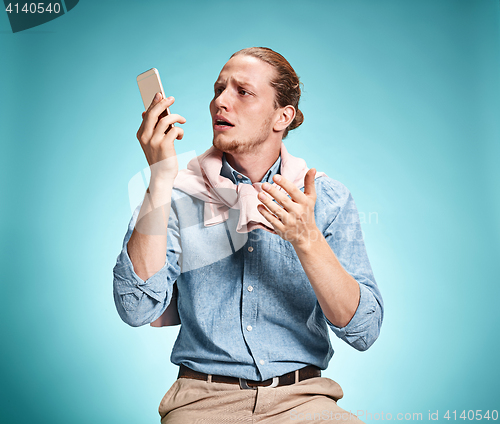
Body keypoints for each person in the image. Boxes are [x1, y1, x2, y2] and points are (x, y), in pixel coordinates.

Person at [113, 47, 383, 423]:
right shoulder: (175, 194)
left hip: (303, 401)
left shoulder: (326, 198)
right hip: (201, 402)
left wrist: (307, 240)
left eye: (242, 92)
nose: (220, 102)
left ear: (282, 116)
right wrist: (160, 175)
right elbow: (135, 308)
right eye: (218, 89)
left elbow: (364, 331)